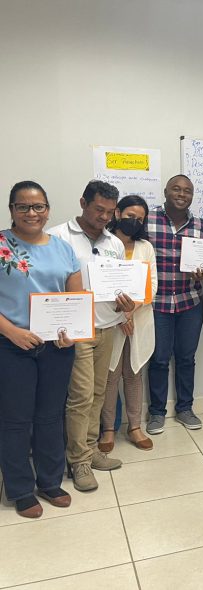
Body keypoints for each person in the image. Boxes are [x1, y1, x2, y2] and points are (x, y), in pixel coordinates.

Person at [0, 181, 80, 518]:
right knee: (16, 420)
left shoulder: (63, 248)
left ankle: (50, 482)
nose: (31, 213)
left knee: (50, 416)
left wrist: (72, 332)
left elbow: (75, 297)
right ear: (12, 210)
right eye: (23, 207)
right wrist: (12, 332)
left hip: (56, 348)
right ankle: (20, 489)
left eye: (38, 207)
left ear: (47, 210)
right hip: (11, 345)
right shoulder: (2, 244)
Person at [50, 180, 134, 492]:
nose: (105, 217)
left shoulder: (114, 242)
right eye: (99, 209)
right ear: (83, 203)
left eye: (110, 212)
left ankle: (90, 448)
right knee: (81, 396)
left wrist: (126, 302)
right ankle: (78, 460)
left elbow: (119, 285)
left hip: (107, 325)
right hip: (76, 330)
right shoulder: (58, 236)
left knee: (99, 392)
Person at [145, 175, 203, 435]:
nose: (182, 194)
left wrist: (202, 272)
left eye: (187, 191)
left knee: (186, 359)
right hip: (157, 303)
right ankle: (157, 412)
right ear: (165, 191)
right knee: (159, 359)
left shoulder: (201, 226)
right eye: (176, 189)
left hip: (189, 301)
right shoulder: (148, 220)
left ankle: (185, 408)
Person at [99, 196, 158, 453]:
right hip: (111, 320)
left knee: (134, 374)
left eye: (140, 219)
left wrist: (130, 312)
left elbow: (152, 286)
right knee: (109, 376)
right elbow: (100, 283)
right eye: (130, 216)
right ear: (117, 213)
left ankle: (135, 427)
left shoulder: (146, 247)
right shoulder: (104, 243)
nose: (134, 221)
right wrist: (122, 316)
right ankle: (108, 429)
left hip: (139, 319)